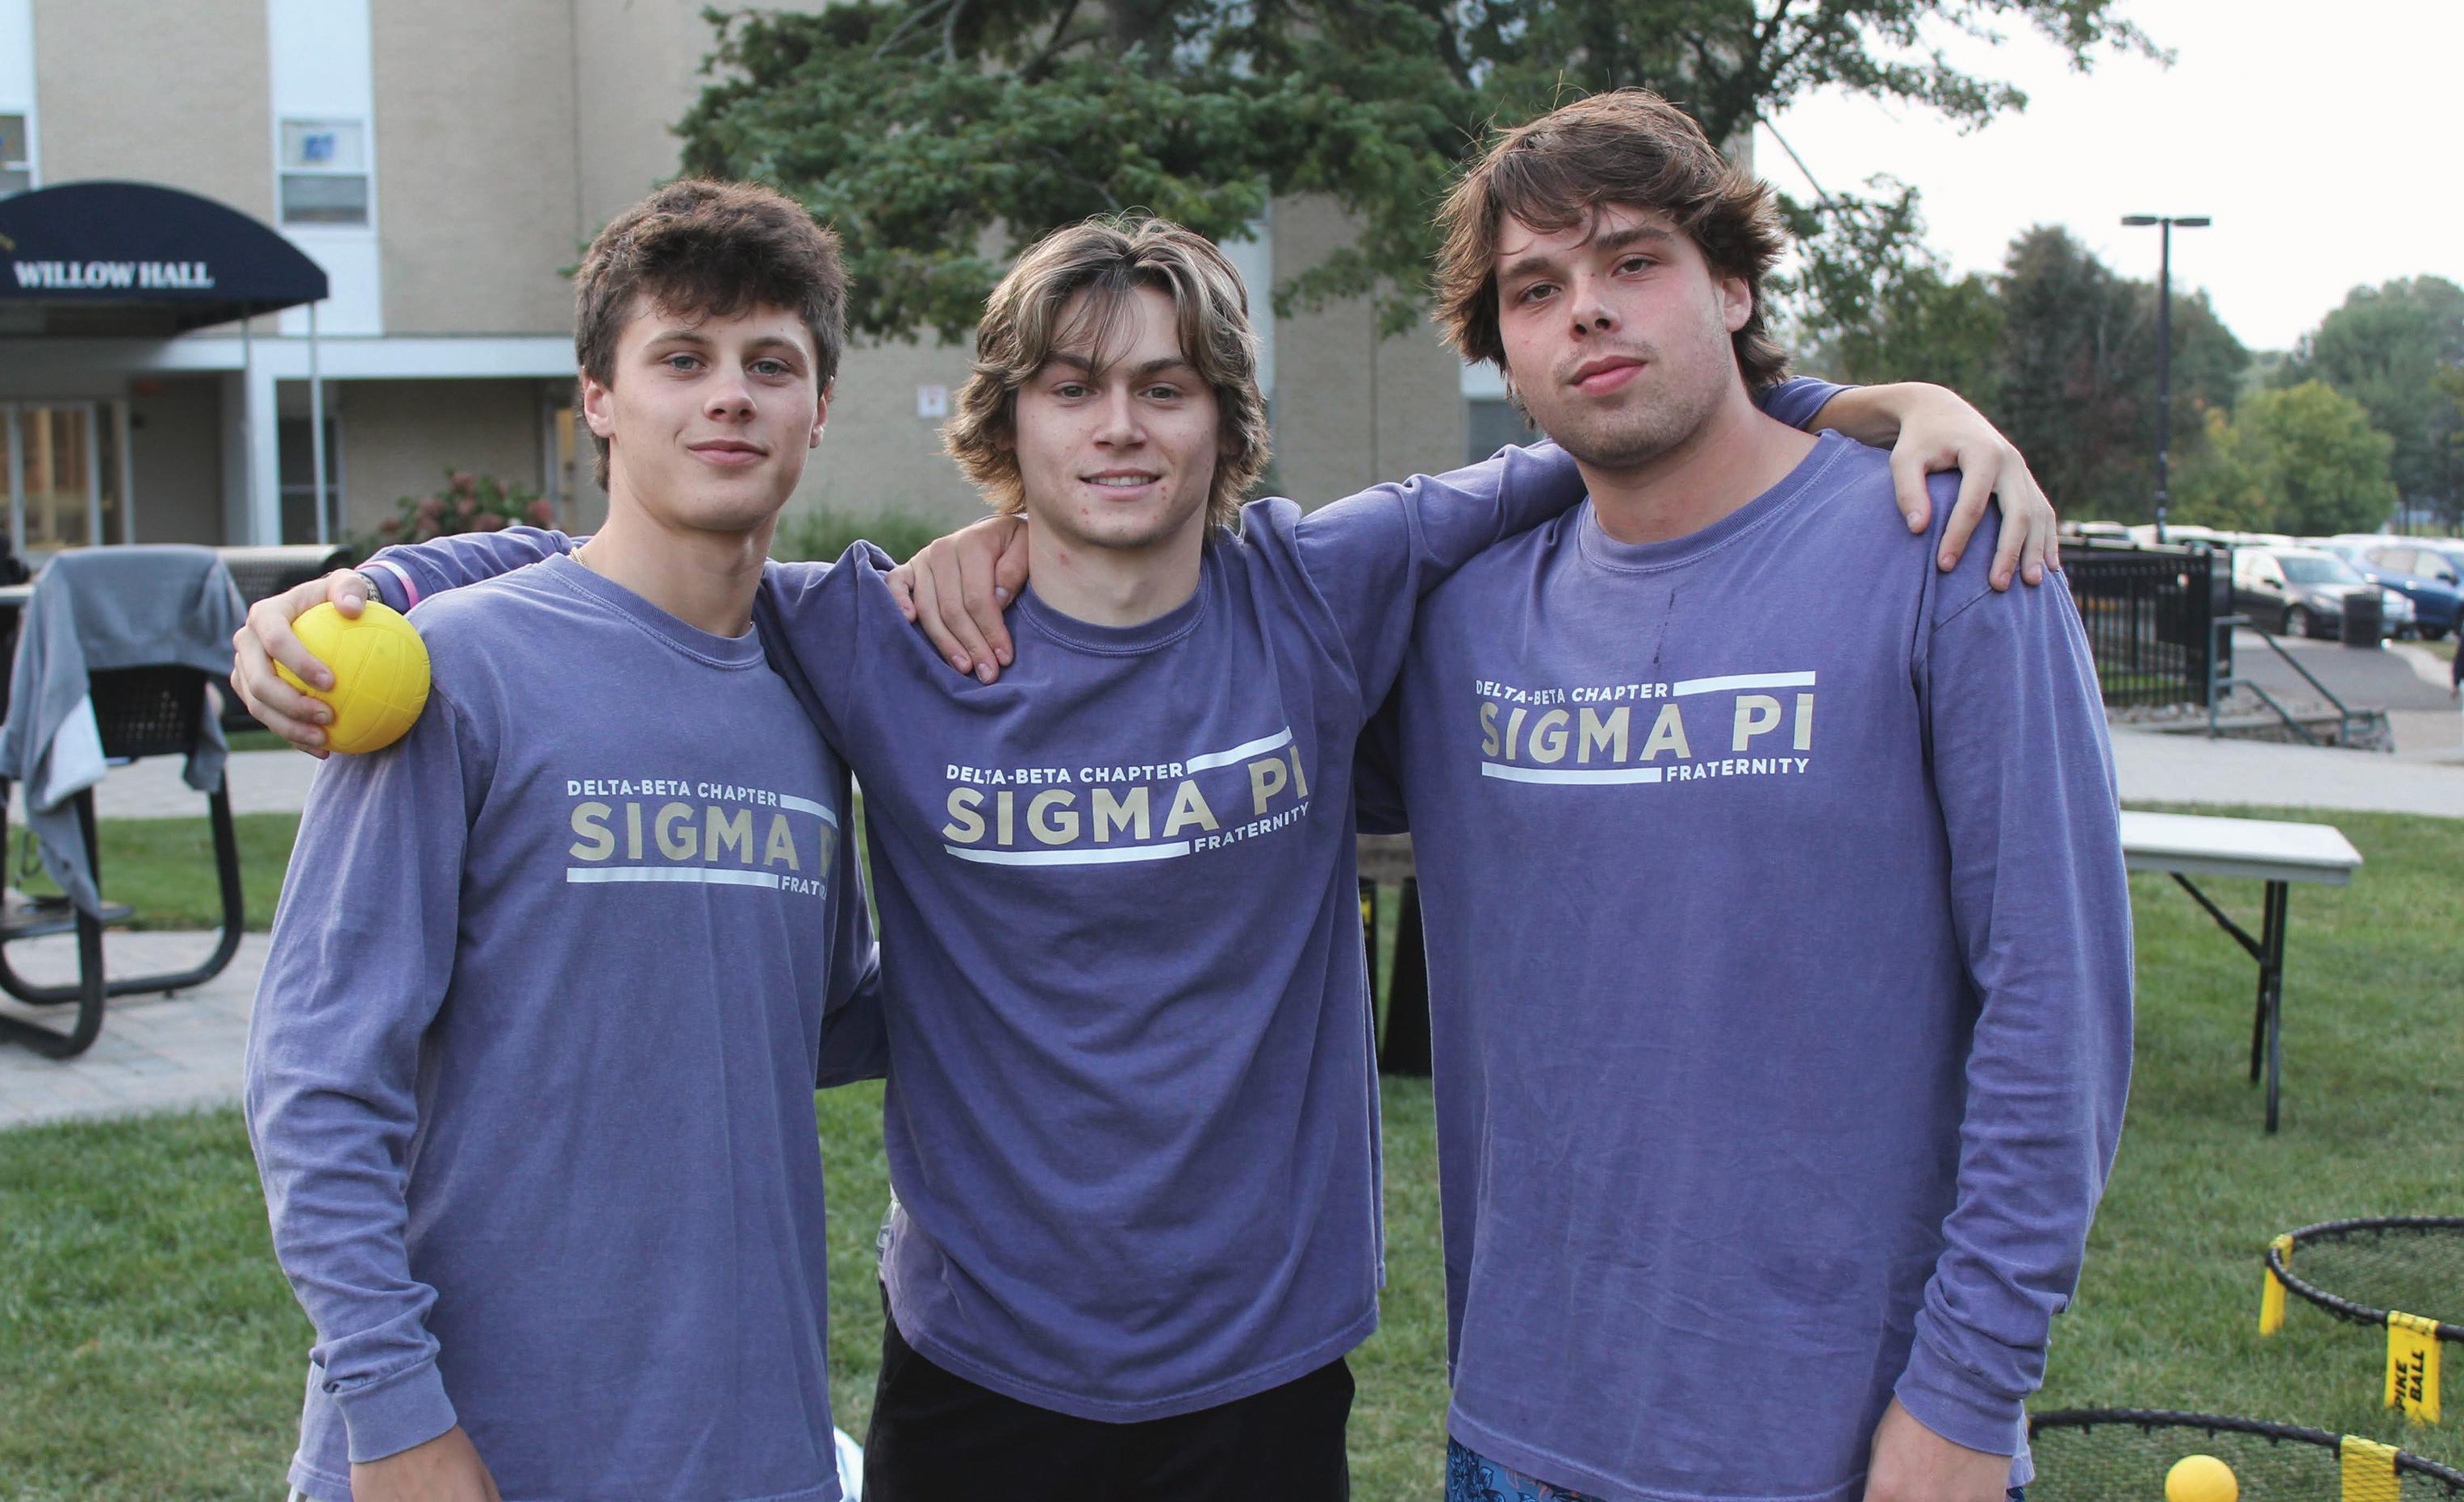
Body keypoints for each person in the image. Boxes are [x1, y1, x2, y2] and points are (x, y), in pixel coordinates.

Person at [236, 210, 2050, 1498]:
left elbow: (1627, 423)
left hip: (1261, 1366)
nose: (1120, 426)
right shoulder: (879, 634)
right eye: (1073, 389)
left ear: (1225, 426)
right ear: (1005, 425)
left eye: (1167, 390)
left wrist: (1879, 402)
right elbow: (643, 571)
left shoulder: (1321, 590)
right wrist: (371, 586)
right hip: (976, 1360)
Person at [1351, 91, 2131, 1502]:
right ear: (1501, 350)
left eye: (1632, 261)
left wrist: (1967, 1394)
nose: (1587, 310)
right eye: (1535, 289)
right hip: (1516, 1433)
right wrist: (1003, 550)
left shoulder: (1945, 548)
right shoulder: (1459, 624)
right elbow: (1183, 700)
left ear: (1731, 283)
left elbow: (2054, 1002)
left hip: (1846, 1445)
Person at [244, 180, 882, 1502]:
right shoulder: (456, 671)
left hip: (746, 1442)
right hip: (473, 1443)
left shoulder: (811, 694)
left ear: (819, 407)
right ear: (598, 396)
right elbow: (319, 1076)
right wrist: (394, 1414)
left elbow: (809, 1018)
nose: (729, 396)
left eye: (770, 364)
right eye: (680, 359)